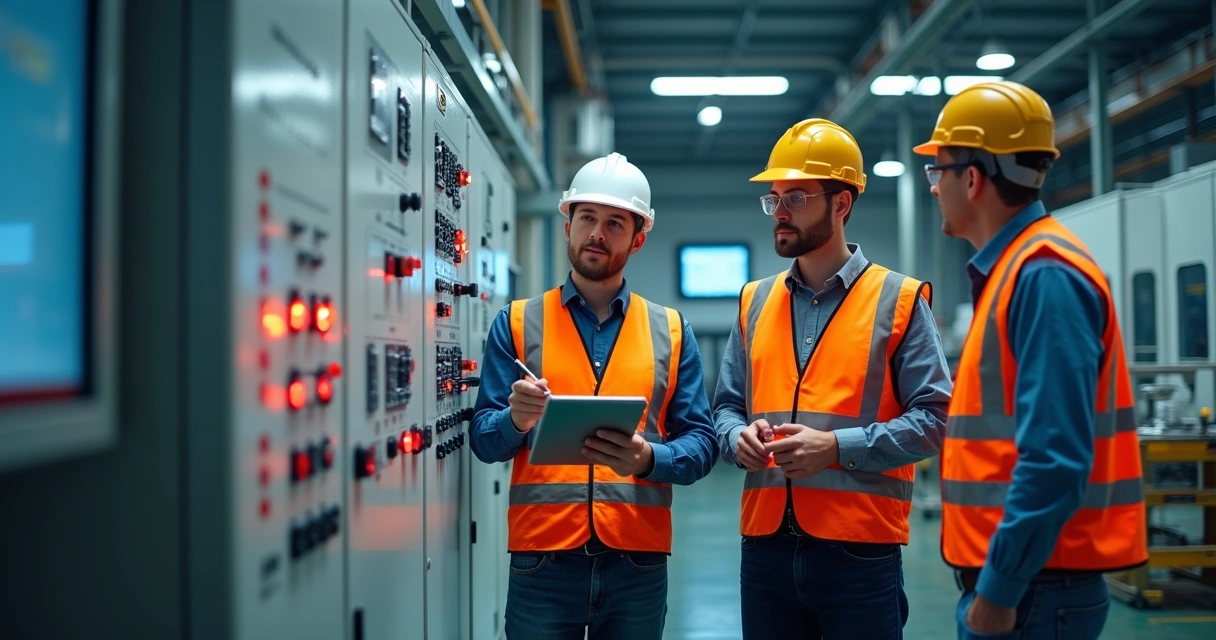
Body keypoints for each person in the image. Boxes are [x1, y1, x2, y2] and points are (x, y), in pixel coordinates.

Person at [914, 80, 1148, 640]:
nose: (932, 188)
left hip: (1032, 593)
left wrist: (996, 594)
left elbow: (1055, 459)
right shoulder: (1019, 270)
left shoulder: (1042, 276)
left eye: (935, 172)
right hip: (1030, 583)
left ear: (971, 180)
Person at [713, 118, 953, 639]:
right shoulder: (753, 301)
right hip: (765, 547)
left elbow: (936, 420)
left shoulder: (900, 300)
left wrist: (838, 446)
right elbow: (726, 408)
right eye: (773, 198)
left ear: (841, 204)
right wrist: (738, 439)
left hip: (858, 552)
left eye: (795, 197)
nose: (778, 212)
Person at [470, 152, 718, 640]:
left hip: (637, 564)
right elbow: (483, 441)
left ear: (638, 238)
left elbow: (703, 444)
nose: (597, 233)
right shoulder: (517, 323)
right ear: (568, 225)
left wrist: (650, 457)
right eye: (586, 217)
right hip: (542, 562)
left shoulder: (670, 330)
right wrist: (514, 421)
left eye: (614, 223)